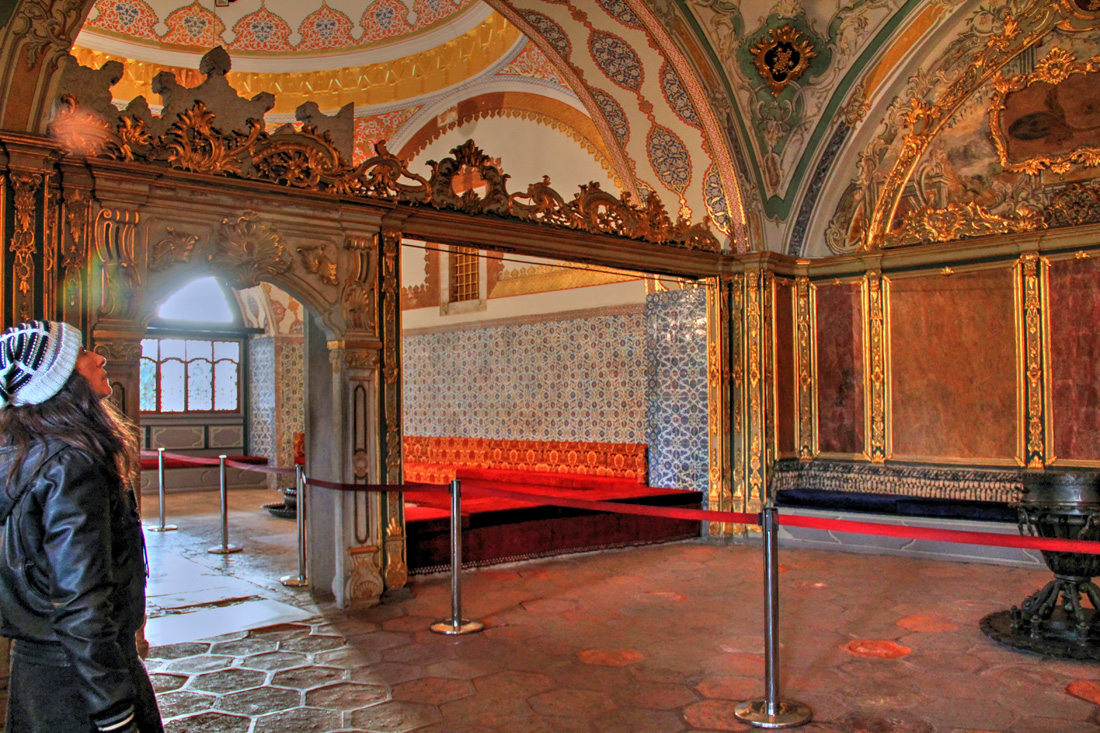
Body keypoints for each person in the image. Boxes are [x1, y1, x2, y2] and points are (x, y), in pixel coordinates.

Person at [0, 321, 163, 733]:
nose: (99, 358)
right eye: (82, 353)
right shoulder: (72, 465)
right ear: (60, 380)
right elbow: (80, 601)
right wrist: (114, 711)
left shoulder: (23, 454)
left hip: (37, 674)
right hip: (81, 679)